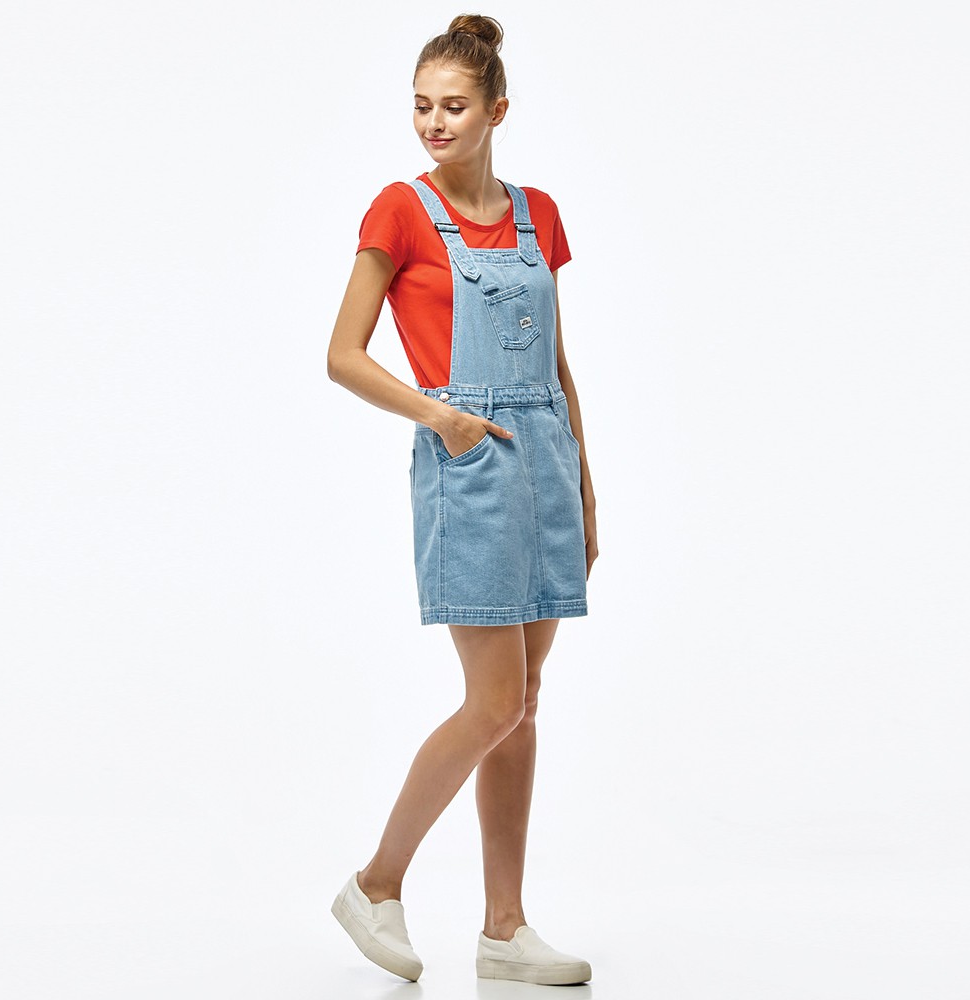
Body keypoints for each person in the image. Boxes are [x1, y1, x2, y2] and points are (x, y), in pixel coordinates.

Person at [326, 13, 598, 986]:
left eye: (453, 106)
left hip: (547, 465)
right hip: (470, 465)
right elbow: (343, 355)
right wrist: (440, 417)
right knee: (492, 701)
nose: (433, 123)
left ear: (497, 111)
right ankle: (375, 883)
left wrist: (585, 488)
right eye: (421, 106)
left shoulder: (538, 215)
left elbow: (556, 364)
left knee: (524, 703)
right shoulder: (400, 211)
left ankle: (504, 928)